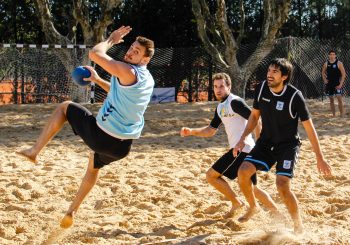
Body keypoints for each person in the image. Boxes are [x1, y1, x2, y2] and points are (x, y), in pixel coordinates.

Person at [16, 26, 155, 228]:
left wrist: (111, 40)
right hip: (122, 148)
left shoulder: (127, 70)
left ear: (145, 60)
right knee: (93, 166)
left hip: (102, 136)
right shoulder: (146, 78)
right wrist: (97, 80)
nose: (130, 51)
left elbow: (94, 54)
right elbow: (119, 93)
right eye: (131, 47)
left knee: (64, 108)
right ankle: (71, 212)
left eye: (136, 51)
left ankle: (34, 151)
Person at [234, 58, 332, 233]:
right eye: (269, 71)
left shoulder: (295, 96)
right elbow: (255, 116)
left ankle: (298, 225)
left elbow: (309, 129)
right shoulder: (262, 87)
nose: (269, 75)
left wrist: (320, 158)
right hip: (265, 142)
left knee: (282, 185)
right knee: (243, 171)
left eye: (275, 72)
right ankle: (253, 207)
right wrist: (242, 138)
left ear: (284, 77)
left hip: (287, 146)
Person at [180, 73, 281, 218]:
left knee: (211, 176)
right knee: (253, 188)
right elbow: (210, 130)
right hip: (242, 149)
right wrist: (191, 132)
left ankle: (239, 203)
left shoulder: (235, 102)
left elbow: (256, 119)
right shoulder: (221, 106)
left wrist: (260, 143)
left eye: (221, 86)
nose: (218, 89)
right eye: (215, 87)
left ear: (229, 86)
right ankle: (277, 214)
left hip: (243, 150)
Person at [321, 50, 346, 117]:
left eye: (333, 54)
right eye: (331, 54)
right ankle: (334, 115)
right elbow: (322, 72)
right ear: (329, 55)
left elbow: (344, 74)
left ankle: (342, 115)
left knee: (339, 98)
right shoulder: (326, 63)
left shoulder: (339, 63)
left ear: (335, 55)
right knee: (331, 99)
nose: (332, 56)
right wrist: (324, 79)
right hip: (329, 84)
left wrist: (341, 84)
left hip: (337, 84)